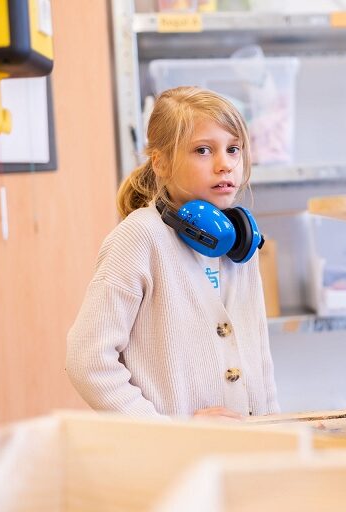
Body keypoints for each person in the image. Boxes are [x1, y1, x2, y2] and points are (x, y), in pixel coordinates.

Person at [67, 86, 279, 420]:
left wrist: (273, 431)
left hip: (245, 451)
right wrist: (167, 432)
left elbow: (259, 360)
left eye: (233, 148)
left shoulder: (241, 243)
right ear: (161, 163)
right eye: (204, 150)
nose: (225, 164)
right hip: (173, 459)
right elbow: (87, 359)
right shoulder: (139, 238)